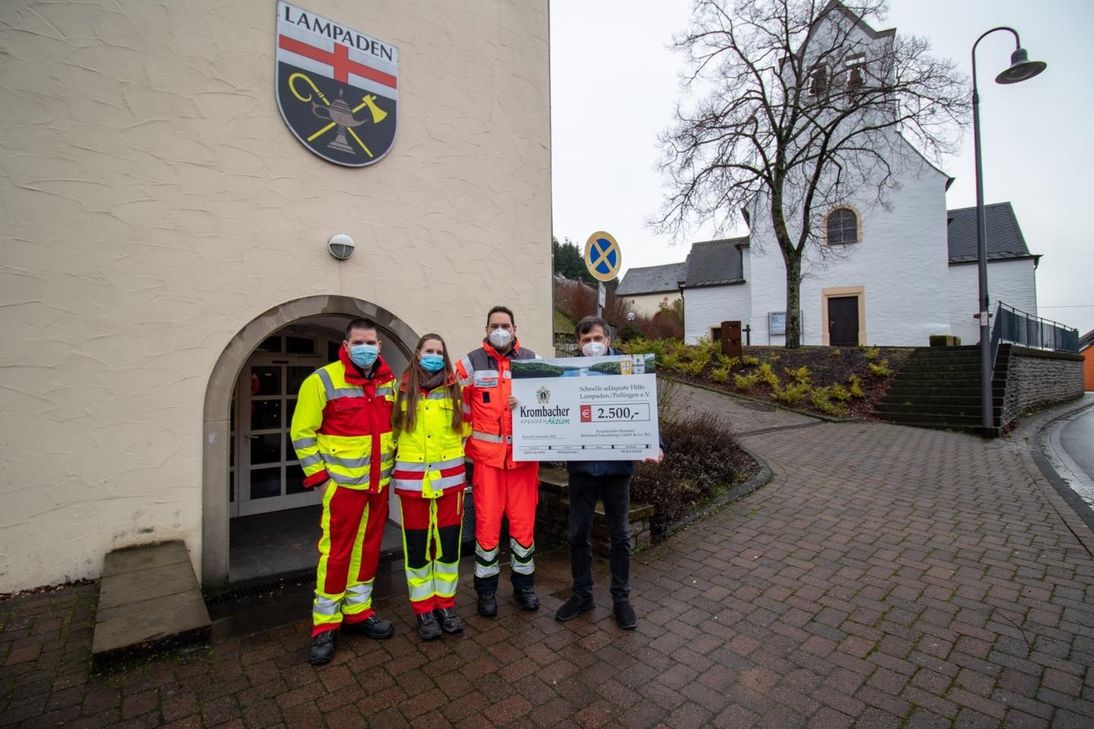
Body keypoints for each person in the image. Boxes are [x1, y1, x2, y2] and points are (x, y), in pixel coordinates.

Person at [291, 318, 398, 665]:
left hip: (378, 484)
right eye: (359, 342)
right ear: (346, 344)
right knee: (337, 553)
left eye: (371, 343)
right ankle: (325, 624)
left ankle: (358, 611)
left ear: (379, 346)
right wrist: (321, 481)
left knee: (368, 550)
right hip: (343, 487)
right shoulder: (321, 380)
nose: (366, 348)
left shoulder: (389, 381)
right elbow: (302, 434)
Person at [555, 316, 663, 630]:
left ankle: (621, 599)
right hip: (582, 469)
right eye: (586, 340)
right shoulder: (567, 373)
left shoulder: (629, 370)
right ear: (578, 343)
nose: (592, 345)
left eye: (597, 339)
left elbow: (645, 407)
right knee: (578, 534)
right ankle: (582, 595)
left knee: (620, 536)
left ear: (608, 340)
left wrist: (654, 442)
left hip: (617, 467)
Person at [455, 305, 540, 616]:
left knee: (523, 526)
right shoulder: (471, 363)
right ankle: (486, 591)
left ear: (515, 329)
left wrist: (528, 401)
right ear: (486, 329)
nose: (500, 330)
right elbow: (452, 404)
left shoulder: (533, 361)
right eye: (495, 325)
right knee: (487, 527)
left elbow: (554, 398)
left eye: (505, 325)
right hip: (487, 464)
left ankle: (524, 586)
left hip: (523, 462)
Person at [391, 334, 471, 640]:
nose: (434, 355)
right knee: (417, 550)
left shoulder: (454, 390)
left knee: (448, 548)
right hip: (412, 485)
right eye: (429, 351)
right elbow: (392, 435)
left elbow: (466, 428)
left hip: (450, 483)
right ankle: (424, 609)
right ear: (418, 353)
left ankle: (446, 606)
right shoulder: (400, 391)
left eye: (439, 351)